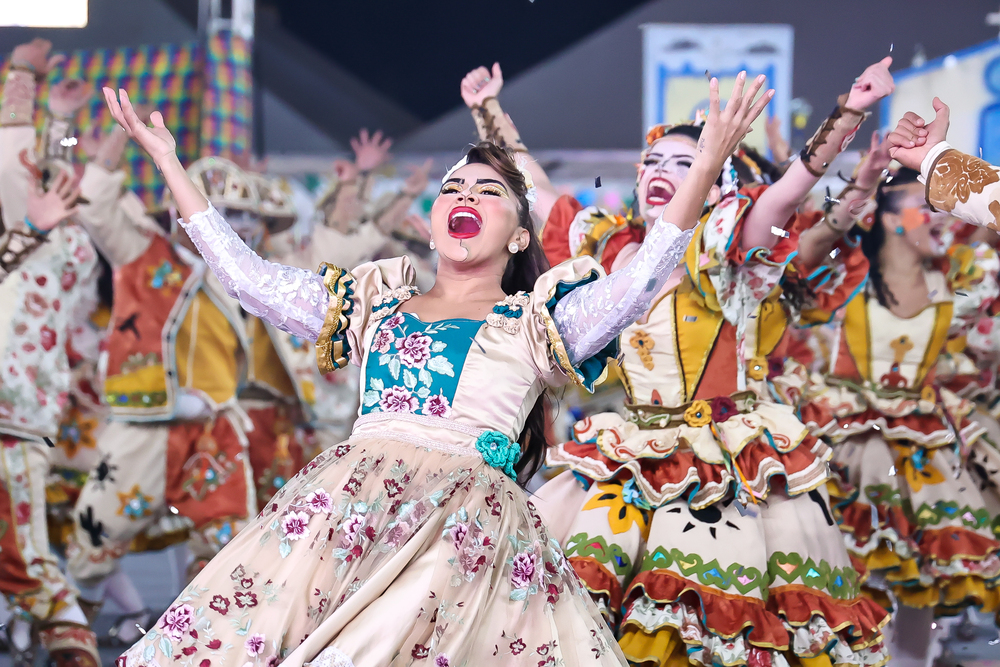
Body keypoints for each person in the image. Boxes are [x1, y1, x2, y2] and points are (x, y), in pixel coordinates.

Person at [101, 69, 769, 666]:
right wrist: (167, 161)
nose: (465, 195)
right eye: (454, 186)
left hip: (460, 540)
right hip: (344, 524)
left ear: (517, 233)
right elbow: (249, 277)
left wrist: (706, 163)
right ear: (431, 224)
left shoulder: (538, 323)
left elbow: (639, 281)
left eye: (488, 189)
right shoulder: (371, 303)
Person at [462, 60, 893, 665]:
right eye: (652, 164)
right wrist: (488, 110)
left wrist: (847, 115)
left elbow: (789, 190)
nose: (660, 173)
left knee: (708, 630)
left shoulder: (730, 246)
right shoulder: (608, 246)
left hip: (726, 456)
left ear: (716, 181)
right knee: (578, 614)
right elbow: (534, 189)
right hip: (631, 452)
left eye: (683, 164)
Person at [0, 38, 102, 667]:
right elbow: (26, 165)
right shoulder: (47, 234)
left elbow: (23, 164)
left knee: (28, 559)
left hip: (14, 415)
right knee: (28, 556)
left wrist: (22, 81)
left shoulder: (61, 241)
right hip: (25, 409)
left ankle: (74, 647)